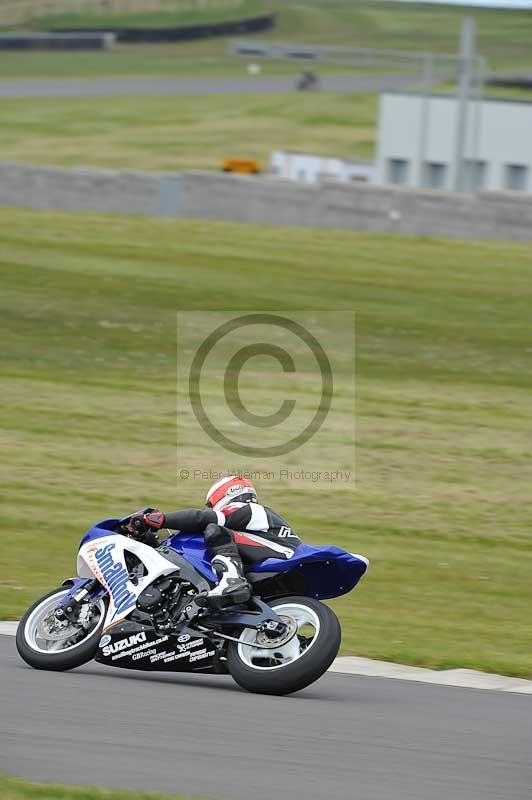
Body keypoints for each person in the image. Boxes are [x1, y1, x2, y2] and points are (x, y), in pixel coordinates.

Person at [127, 476, 301, 606]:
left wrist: (159, 519)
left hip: (279, 554)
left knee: (215, 530)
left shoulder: (248, 508)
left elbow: (201, 518)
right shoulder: (258, 520)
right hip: (278, 563)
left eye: (210, 504)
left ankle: (232, 581)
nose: (210, 508)